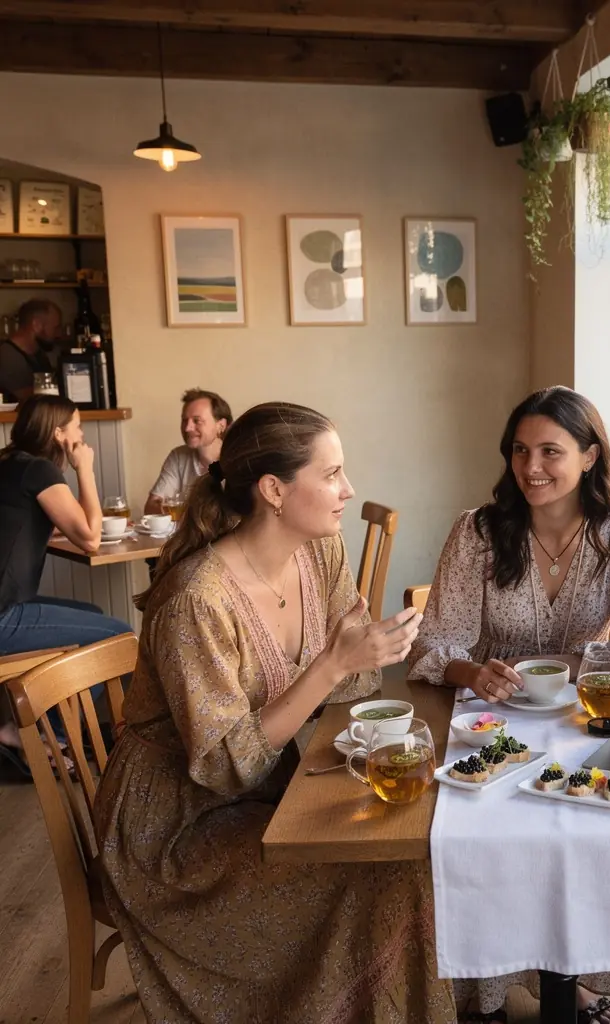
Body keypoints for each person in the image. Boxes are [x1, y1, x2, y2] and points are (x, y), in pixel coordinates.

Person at [94, 401, 455, 1024]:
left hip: (272, 782)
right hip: (175, 825)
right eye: (332, 473)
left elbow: (356, 677)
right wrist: (329, 667)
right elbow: (224, 766)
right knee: (377, 873)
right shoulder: (196, 600)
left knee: (403, 849)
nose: (349, 489)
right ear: (273, 490)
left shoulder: (320, 554)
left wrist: (361, 656)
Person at [409, 385, 610, 1024]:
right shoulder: (479, 531)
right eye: (520, 451)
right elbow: (437, 642)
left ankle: (564, 975)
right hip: (487, 721)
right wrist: (473, 668)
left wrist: (585, 666)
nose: (531, 468)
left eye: (551, 450)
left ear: (590, 455)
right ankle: (486, 986)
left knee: (586, 833)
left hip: (585, 718)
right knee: (490, 839)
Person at [0, 395, 132, 773]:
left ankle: (47, 729)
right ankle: (51, 734)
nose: (82, 434)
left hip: (6, 608)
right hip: (4, 616)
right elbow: (91, 538)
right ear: (59, 434)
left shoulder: (10, 463)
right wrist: (84, 469)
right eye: (76, 426)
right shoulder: (40, 470)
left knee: (91, 616)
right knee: (117, 637)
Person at [144, 387, 233, 514]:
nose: (187, 428)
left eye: (197, 421)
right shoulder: (179, 456)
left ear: (221, 426)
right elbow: (151, 507)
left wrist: (178, 513)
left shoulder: (238, 459)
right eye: (184, 420)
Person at [0, 299, 62, 401]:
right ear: (36, 325)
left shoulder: (39, 354)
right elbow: (29, 399)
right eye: (55, 328)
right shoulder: (8, 357)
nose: (59, 334)